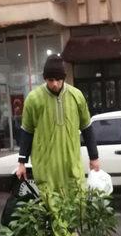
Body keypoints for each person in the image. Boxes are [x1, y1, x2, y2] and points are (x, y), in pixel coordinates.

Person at [15, 54, 100, 193]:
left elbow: (87, 128)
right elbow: (27, 132)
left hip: (72, 167)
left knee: (76, 206)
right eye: (51, 80)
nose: (55, 84)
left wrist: (94, 157)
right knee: (50, 207)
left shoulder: (76, 96)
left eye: (58, 79)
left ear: (64, 78)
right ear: (45, 78)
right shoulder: (33, 99)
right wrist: (22, 163)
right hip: (46, 169)